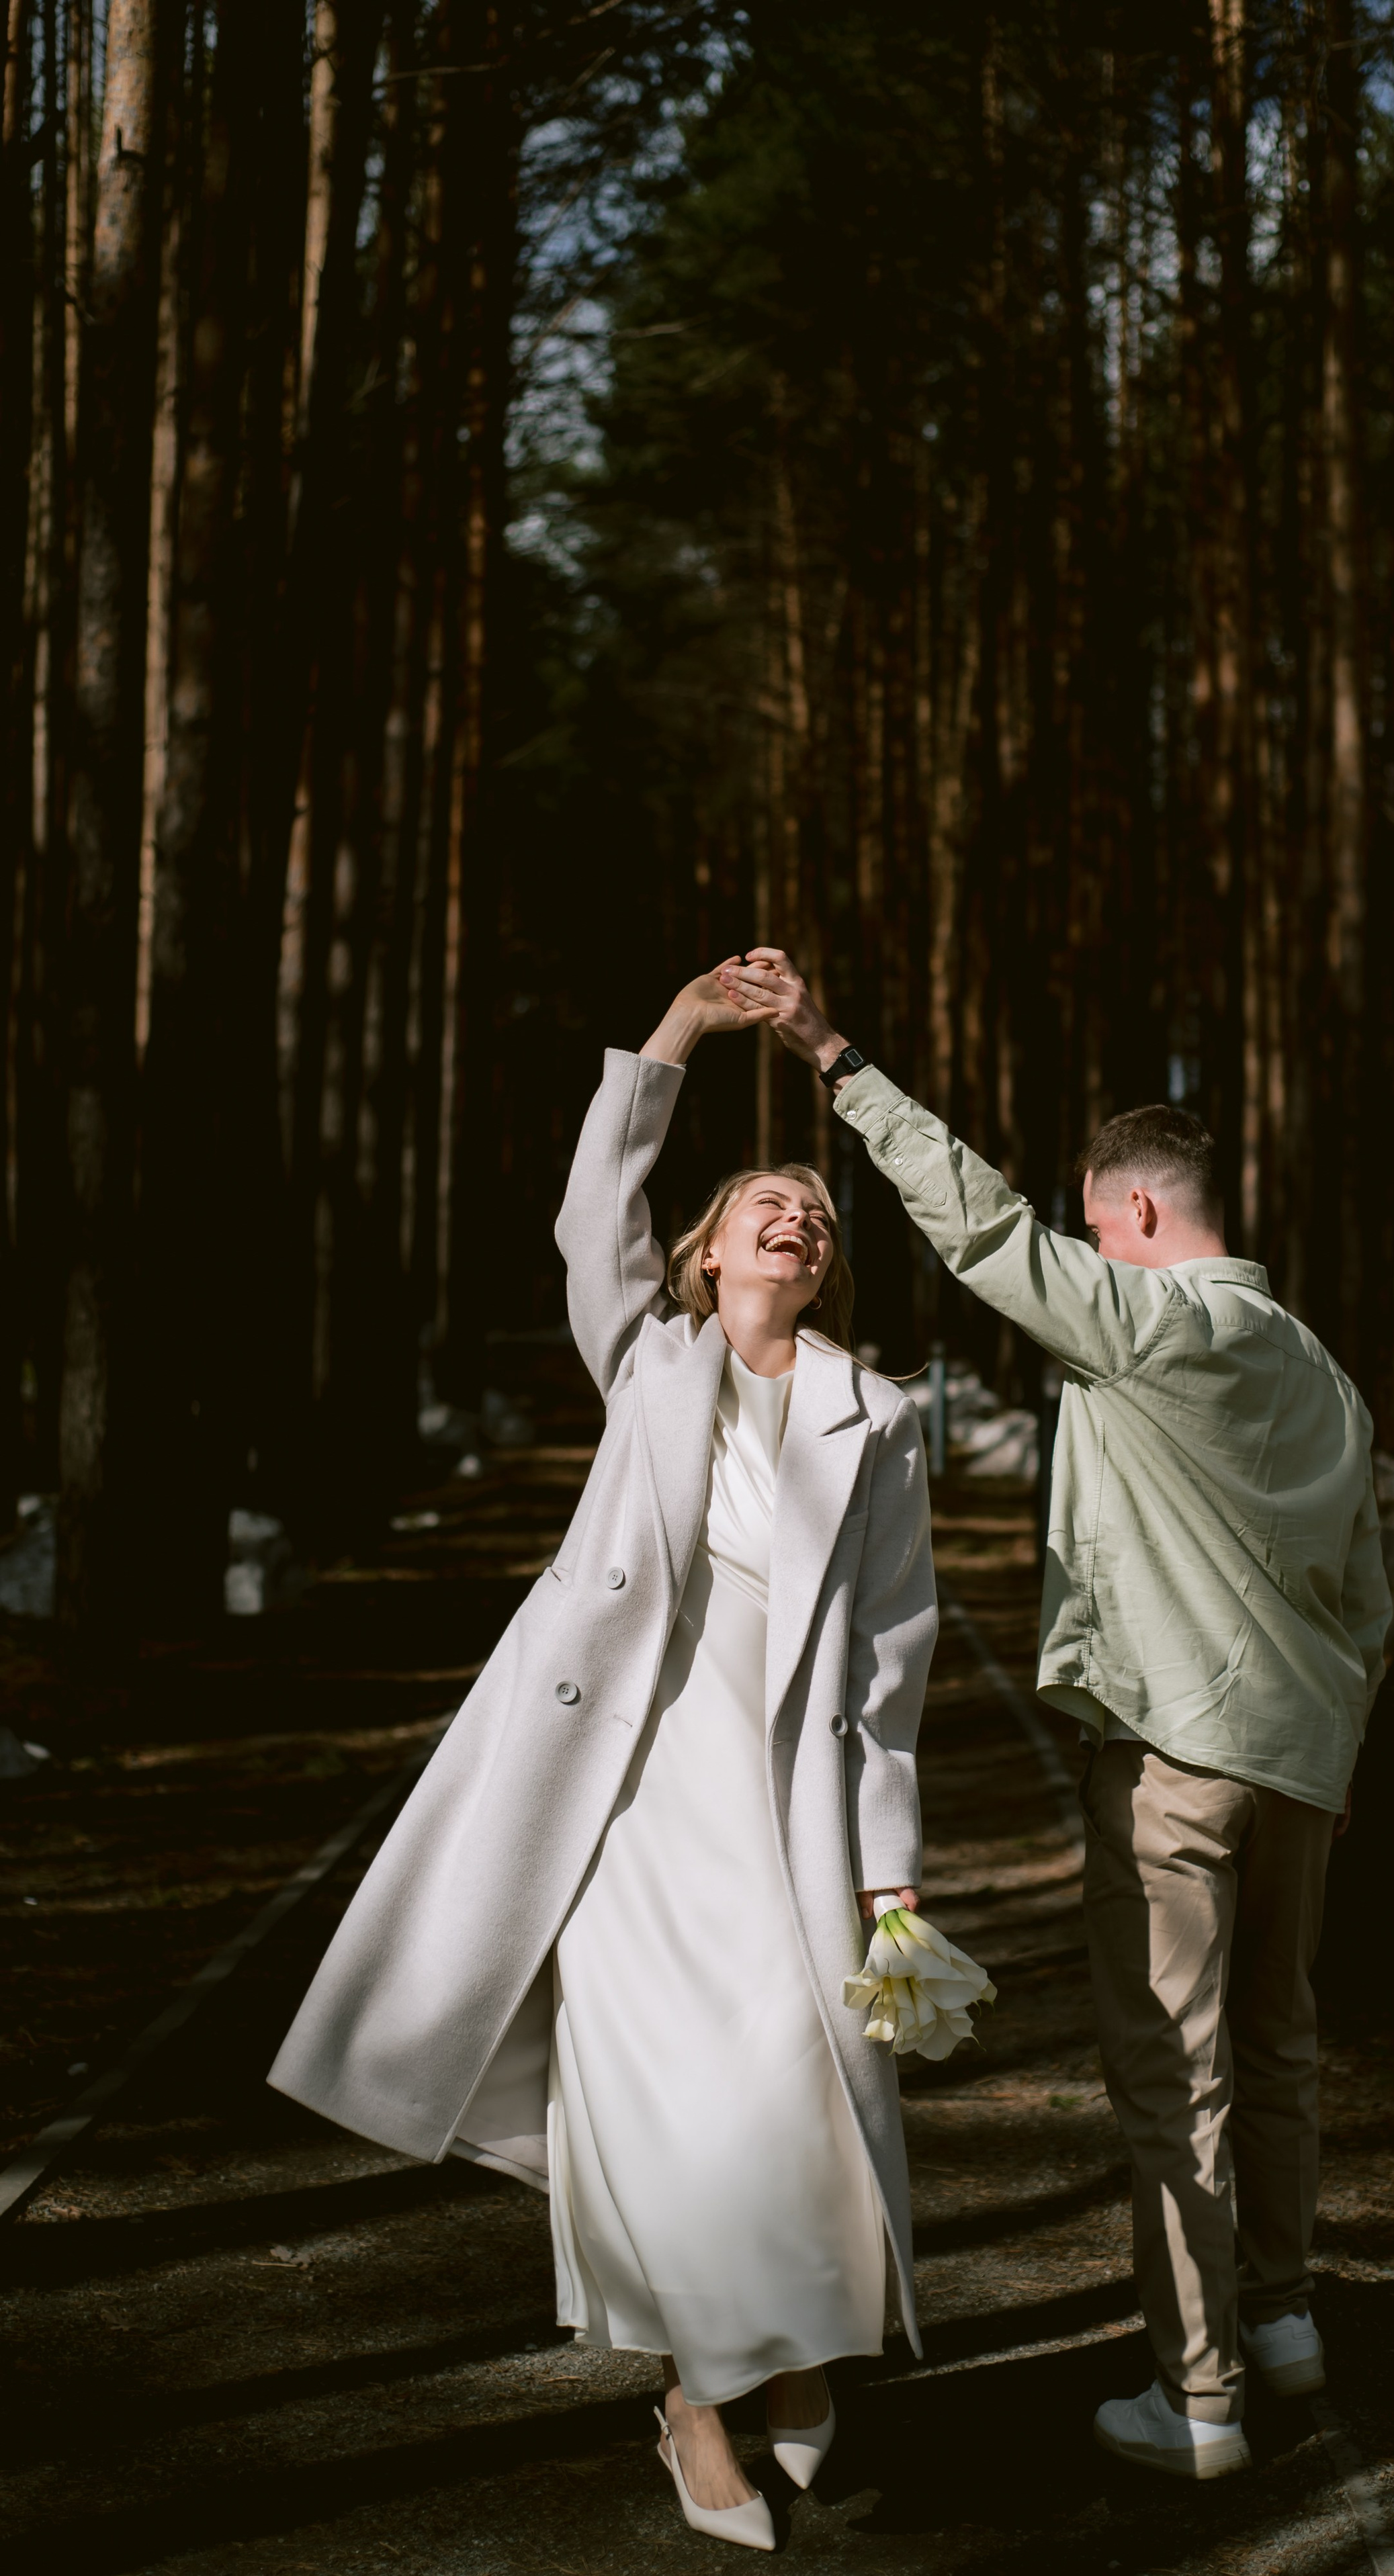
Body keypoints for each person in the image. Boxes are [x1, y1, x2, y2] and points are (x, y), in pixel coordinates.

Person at [270, 966, 938, 2554]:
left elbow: (890, 1654)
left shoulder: (877, 1415)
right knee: (658, 2097)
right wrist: (683, 1030)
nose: (795, 1221)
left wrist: (889, 1863)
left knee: (790, 2085)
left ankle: (788, 2345)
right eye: (766, 1204)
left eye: (816, 1218)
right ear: (706, 1249)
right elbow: (592, 1214)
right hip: (623, 1803)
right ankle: (700, 2395)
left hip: (787, 1808)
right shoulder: (648, 1363)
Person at [723, 946, 1392, 2485]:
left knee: (1176, 2076)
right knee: (1281, 2045)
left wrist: (834, 1056)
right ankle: (1281, 2317)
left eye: (1092, 1227)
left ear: (1135, 1213)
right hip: (1301, 1764)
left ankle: (1199, 2397)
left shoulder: (1151, 1324)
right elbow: (1368, 1591)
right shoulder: (1326, 1379)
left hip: (1172, 1761)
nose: (1086, 1250)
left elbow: (975, 1225)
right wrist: (1338, 1748)